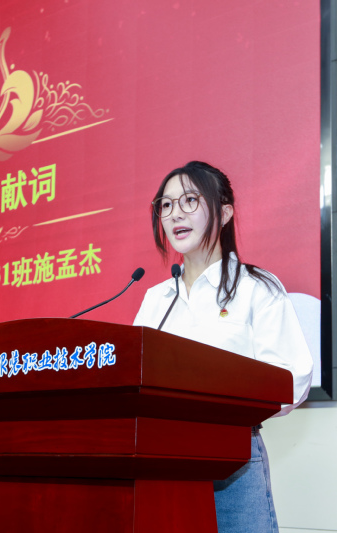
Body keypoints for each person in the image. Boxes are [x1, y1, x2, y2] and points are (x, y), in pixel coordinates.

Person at [133, 161, 313, 533]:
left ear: (225, 213)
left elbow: (292, 377)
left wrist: (223, 402)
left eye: (189, 200)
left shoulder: (255, 288)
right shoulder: (156, 299)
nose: (175, 214)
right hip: (161, 460)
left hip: (233, 460)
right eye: (166, 205)